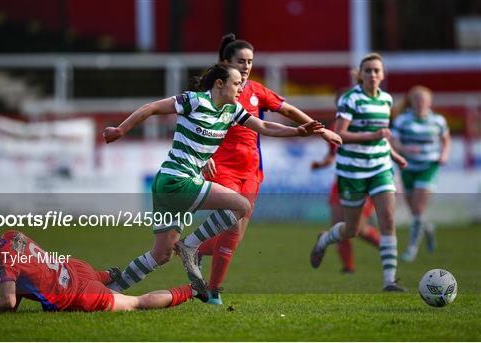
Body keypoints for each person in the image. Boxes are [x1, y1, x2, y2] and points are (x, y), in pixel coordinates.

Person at [102, 63, 326, 294]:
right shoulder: (195, 100)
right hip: (177, 181)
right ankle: (190, 245)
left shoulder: (231, 110)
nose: (241, 88)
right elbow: (151, 107)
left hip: (168, 183)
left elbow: (263, 125)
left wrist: (298, 131)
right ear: (220, 83)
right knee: (241, 205)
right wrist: (120, 130)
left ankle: (114, 289)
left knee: (161, 255)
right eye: (237, 83)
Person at [196, 33, 342, 304]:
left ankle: (193, 251)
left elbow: (289, 111)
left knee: (235, 238)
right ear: (225, 62)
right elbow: (193, 125)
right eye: (241, 61)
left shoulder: (257, 91)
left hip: (252, 171)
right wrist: (201, 155)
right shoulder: (211, 94)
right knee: (230, 227)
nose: (247, 66)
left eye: (250, 61)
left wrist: (322, 131)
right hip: (222, 170)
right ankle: (212, 291)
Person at [309, 52, 409, 292]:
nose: (373, 74)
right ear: (360, 75)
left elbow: (382, 135)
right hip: (352, 171)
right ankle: (324, 240)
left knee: (388, 219)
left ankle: (389, 280)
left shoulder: (386, 100)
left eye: (377, 70)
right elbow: (340, 133)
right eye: (368, 71)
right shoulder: (350, 99)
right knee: (352, 230)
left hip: (380, 168)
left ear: (383, 74)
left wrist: (394, 155)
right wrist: (371, 136)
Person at [0, 222, 205, 315]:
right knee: (94, 278)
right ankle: (108, 275)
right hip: (75, 268)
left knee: (137, 303)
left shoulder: (2, 265)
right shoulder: (11, 234)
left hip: (77, 290)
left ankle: (192, 290)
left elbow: (8, 300)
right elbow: (27, 279)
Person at [390, 86, 451, 262]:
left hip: (428, 167)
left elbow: (446, 139)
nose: (420, 104)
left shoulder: (438, 121)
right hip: (408, 168)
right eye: (417, 101)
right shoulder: (403, 120)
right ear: (412, 102)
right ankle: (428, 228)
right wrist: (406, 148)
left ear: (429, 103)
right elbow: (393, 143)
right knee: (415, 213)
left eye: (423, 101)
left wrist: (444, 155)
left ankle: (411, 249)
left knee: (417, 209)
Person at [311, 137, 381, 273]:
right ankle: (348, 267)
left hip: (364, 184)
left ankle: (388, 249)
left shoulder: (370, 126)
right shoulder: (335, 129)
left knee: (359, 230)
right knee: (338, 226)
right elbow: (332, 155)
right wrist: (321, 164)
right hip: (341, 184)